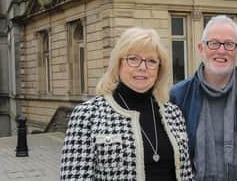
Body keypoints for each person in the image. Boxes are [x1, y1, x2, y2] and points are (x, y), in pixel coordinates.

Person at [60, 27, 193, 180]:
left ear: (159, 69)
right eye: (133, 59)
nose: (142, 67)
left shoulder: (173, 113)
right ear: (119, 63)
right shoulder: (88, 114)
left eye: (151, 61)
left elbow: (186, 175)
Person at [170, 15, 237, 181]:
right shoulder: (179, 95)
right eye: (214, 43)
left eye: (229, 44)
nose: (221, 50)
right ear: (201, 48)